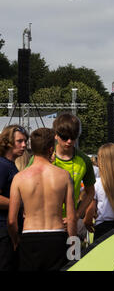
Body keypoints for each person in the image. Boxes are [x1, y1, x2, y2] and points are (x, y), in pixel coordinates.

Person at [8, 128, 76, 271]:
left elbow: (12, 220)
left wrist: (16, 241)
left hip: (29, 237)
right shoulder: (64, 176)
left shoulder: (19, 178)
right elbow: (71, 218)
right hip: (57, 236)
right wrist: (74, 248)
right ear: (51, 149)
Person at [30, 114, 96, 235]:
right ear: (56, 135)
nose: (69, 141)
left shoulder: (84, 160)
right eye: (65, 137)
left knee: (73, 254)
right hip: (43, 223)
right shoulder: (41, 156)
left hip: (69, 226)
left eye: (73, 137)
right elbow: (27, 186)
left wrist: (76, 216)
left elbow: (91, 192)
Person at [0, 125, 28, 271]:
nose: (24, 145)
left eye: (25, 141)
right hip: (4, 233)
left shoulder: (10, 165)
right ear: (7, 142)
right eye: (19, 141)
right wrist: (19, 203)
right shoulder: (3, 165)